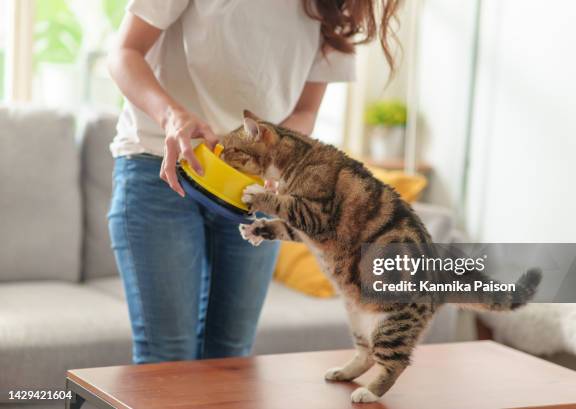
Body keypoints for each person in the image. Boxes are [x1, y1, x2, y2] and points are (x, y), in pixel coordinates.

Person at [107, 0, 400, 364]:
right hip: (161, 167)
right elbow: (124, 52)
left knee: (232, 359)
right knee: (167, 359)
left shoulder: (336, 7)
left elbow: (305, 111)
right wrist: (171, 115)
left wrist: (276, 157)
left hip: (254, 190)